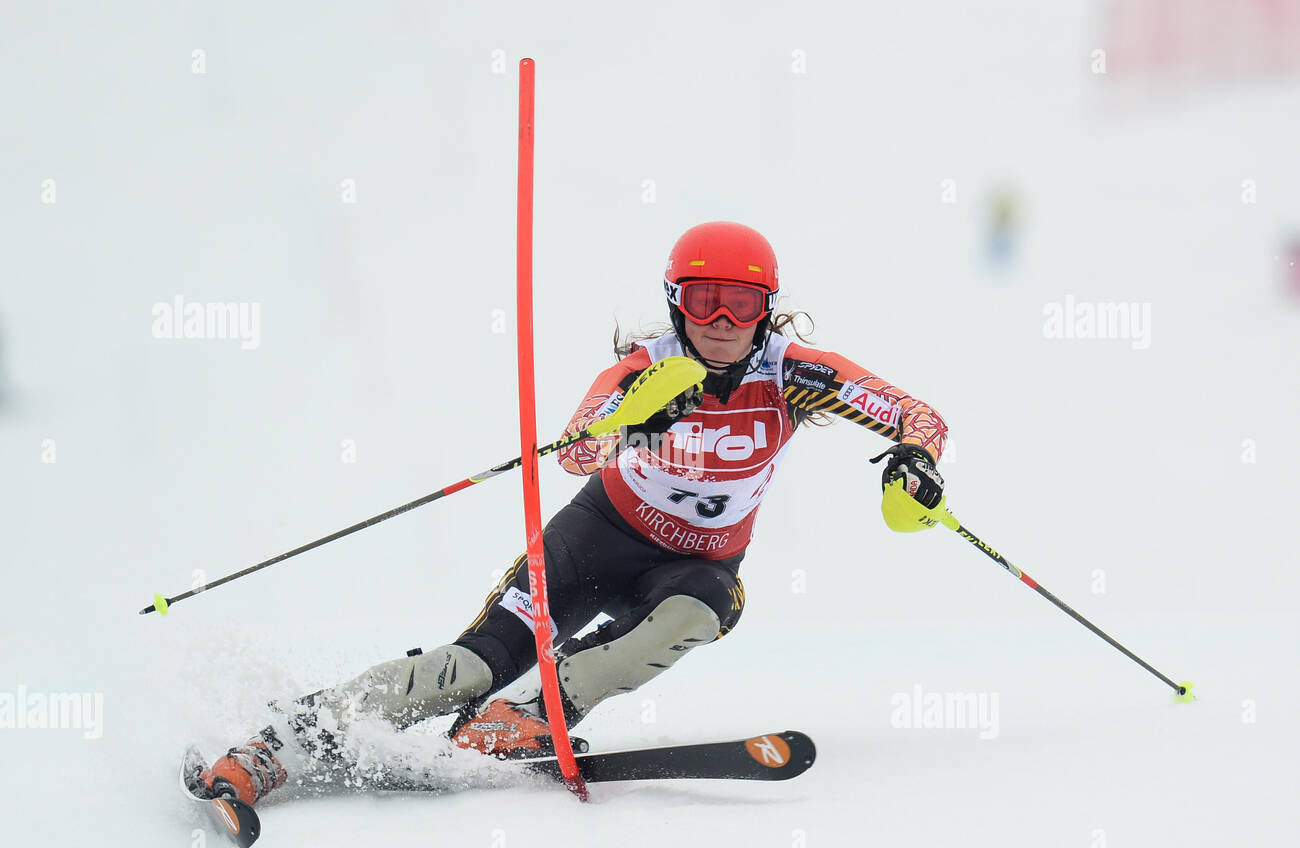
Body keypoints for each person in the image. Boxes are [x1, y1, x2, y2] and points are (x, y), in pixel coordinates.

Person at [200, 221, 949, 805]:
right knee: (466, 668)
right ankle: (282, 741)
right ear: (673, 304)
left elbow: (919, 415)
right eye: (701, 299)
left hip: (698, 567)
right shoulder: (646, 367)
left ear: (768, 308)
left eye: (743, 303)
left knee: (701, 614)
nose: (721, 319)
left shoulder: (791, 374)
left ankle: (529, 712)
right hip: (593, 542)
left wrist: (917, 460)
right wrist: (635, 425)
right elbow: (575, 452)